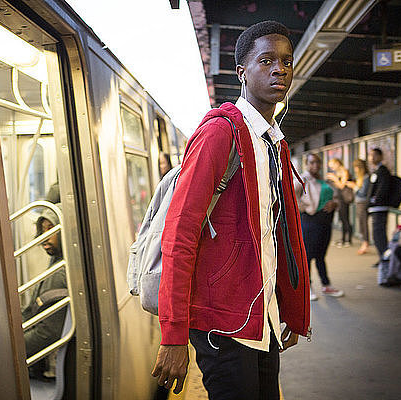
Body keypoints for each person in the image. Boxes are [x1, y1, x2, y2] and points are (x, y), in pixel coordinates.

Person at [151, 21, 310, 399]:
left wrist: (287, 308)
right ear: (242, 72)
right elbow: (180, 231)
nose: (280, 70)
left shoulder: (274, 143)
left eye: (286, 62)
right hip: (220, 323)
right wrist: (173, 335)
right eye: (266, 60)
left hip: (262, 317)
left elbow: (279, 235)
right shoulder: (220, 135)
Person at [23, 205, 68, 380]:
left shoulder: (61, 273)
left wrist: (10, 348)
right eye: (42, 230)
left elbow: (46, 333)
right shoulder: (57, 262)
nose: (44, 237)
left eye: (51, 228)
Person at [296, 154, 345, 300]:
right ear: (306, 164)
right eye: (312, 163)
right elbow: (291, 195)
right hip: (310, 221)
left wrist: (334, 204)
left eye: (317, 162)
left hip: (325, 222)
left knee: (321, 255)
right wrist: (305, 208)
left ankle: (326, 285)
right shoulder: (302, 179)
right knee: (308, 255)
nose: (315, 165)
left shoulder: (323, 180)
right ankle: (307, 287)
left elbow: (336, 197)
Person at [367, 148, 391, 267]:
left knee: (379, 235)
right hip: (375, 208)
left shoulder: (383, 171)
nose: (372, 158)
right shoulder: (376, 171)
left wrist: (374, 200)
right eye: (370, 155)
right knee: (377, 236)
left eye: (374, 155)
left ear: (381, 157)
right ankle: (382, 257)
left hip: (380, 208)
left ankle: (385, 259)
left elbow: (383, 189)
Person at [345, 159, 371, 255]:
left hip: (363, 203)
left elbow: (363, 193)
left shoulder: (366, 177)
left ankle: (365, 243)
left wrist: (354, 186)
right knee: (361, 223)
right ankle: (364, 242)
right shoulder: (360, 177)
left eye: (356, 167)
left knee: (363, 223)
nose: (355, 169)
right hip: (359, 203)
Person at [326, 158, 352, 247]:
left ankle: (348, 239)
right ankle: (343, 239)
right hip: (339, 198)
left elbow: (342, 186)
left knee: (345, 218)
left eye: (332, 166)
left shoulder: (345, 171)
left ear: (337, 163)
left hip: (345, 198)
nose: (332, 168)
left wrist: (335, 178)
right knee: (342, 218)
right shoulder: (338, 173)